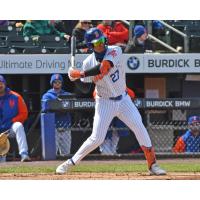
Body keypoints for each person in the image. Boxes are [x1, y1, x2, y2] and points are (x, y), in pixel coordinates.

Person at [56, 27, 166, 175]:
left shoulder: (115, 51)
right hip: (104, 102)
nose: (101, 44)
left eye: (101, 40)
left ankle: (152, 165)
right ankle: (70, 163)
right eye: (96, 43)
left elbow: (104, 68)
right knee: (97, 138)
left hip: (123, 99)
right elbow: (84, 88)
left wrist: (79, 73)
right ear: (90, 46)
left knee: (139, 126)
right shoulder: (88, 63)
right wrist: (74, 78)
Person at [0, 75, 30, 162]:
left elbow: (24, 114)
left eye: (1, 83)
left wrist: (12, 121)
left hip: (9, 129)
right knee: (2, 162)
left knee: (18, 125)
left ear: (5, 84)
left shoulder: (15, 96)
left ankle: (24, 154)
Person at [98, 87, 135, 155]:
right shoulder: (101, 87)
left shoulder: (120, 86)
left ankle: (113, 150)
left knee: (118, 129)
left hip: (117, 111)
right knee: (104, 132)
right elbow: (95, 96)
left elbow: (132, 95)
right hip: (105, 111)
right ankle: (105, 151)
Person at [41, 74, 72, 156]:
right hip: (53, 128)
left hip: (66, 127)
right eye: (55, 82)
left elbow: (72, 104)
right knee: (52, 154)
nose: (57, 83)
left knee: (66, 154)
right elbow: (45, 108)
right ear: (52, 83)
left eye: (59, 82)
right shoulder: (47, 95)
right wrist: (59, 104)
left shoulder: (67, 94)